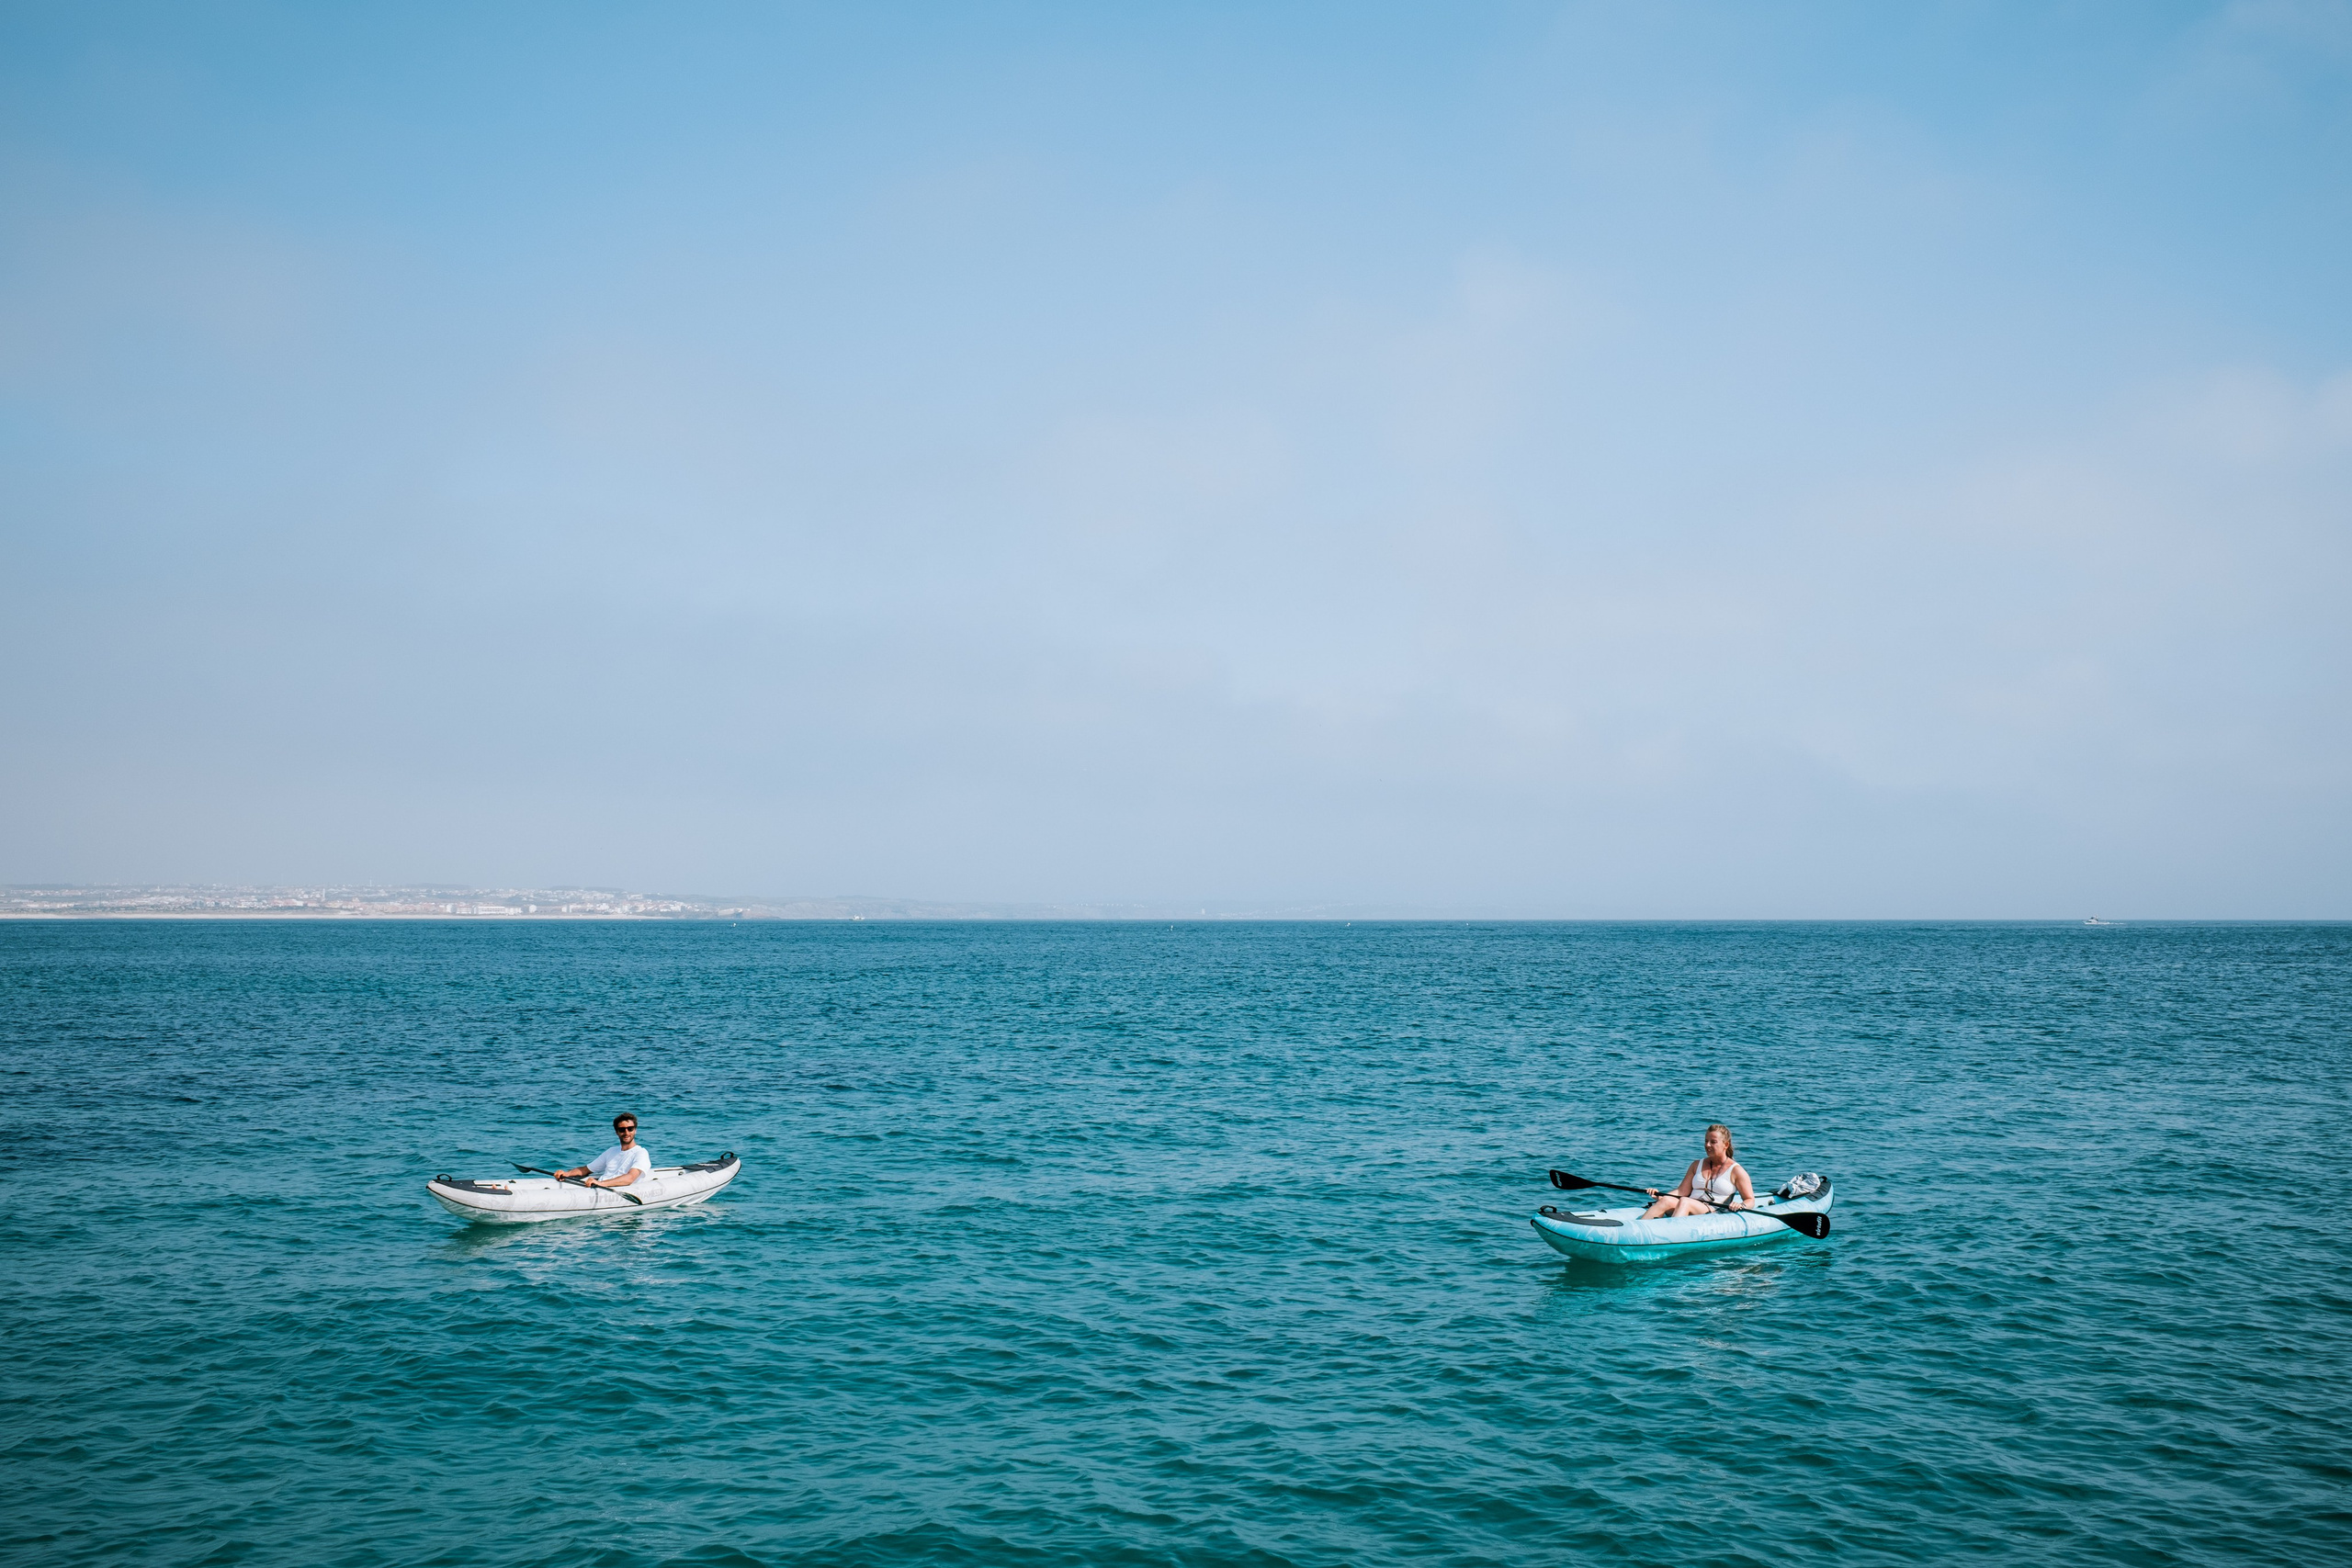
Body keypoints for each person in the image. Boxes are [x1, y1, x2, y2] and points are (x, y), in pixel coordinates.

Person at [1644, 1123, 1752, 1218]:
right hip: (1687, 1206)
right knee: (1666, 1200)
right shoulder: (1696, 1165)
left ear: (1726, 1145)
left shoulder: (1736, 1170)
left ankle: (1674, 1231)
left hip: (1713, 1212)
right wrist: (1660, 1196)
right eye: (1706, 1141)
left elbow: (1750, 1199)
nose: (1707, 1145)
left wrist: (1741, 1205)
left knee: (1685, 1201)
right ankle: (1640, 1229)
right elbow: (1681, 1191)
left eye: (1713, 1142)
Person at [552, 1112, 651, 1190]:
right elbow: (586, 1169)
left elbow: (630, 1178)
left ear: (635, 1130)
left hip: (613, 1188)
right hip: (600, 1186)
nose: (626, 1133)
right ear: (616, 1132)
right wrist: (567, 1174)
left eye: (630, 1129)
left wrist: (601, 1183)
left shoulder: (641, 1153)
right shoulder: (611, 1151)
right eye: (622, 1130)